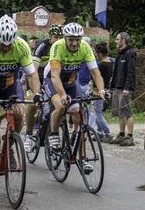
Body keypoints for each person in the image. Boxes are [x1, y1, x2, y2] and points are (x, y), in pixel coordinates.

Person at [0, 15, 42, 179]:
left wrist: (36, 94)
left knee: (19, 113)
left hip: (11, 85)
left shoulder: (21, 46)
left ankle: (9, 147)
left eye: (9, 44)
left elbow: (32, 75)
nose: (5, 48)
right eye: (1, 44)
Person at [45, 22, 106, 156]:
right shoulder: (57, 46)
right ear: (65, 38)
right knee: (61, 106)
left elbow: (96, 73)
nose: (74, 43)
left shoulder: (85, 47)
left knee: (78, 114)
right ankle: (54, 134)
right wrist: (62, 95)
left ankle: (79, 150)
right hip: (53, 80)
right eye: (71, 39)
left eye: (77, 40)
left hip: (71, 82)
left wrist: (101, 90)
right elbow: (55, 76)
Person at [23, 23, 63, 151]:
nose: (58, 40)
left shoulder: (63, 47)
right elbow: (33, 69)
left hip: (52, 80)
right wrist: (36, 89)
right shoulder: (42, 46)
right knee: (32, 103)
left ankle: (50, 131)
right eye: (56, 37)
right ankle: (29, 134)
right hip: (37, 79)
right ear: (51, 36)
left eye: (61, 38)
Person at [109, 32, 136, 147]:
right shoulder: (119, 54)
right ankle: (121, 135)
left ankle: (129, 137)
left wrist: (127, 88)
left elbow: (131, 72)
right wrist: (112, 86)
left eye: (117, 39)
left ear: (123, 40)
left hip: (125, 88)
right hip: (117, 87)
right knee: (120, 112)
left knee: (127, 113)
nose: (115, 41)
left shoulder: (130, 53)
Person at [88, 42, 113, 143]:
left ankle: (107, 133)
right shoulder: (111, 63)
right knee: (98, 111)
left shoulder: (101, 65)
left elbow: (94, 77)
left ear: (100, 54)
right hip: (106, 88)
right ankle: (100, 132)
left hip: (98, 90)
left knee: (98, 113)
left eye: (96, 54)